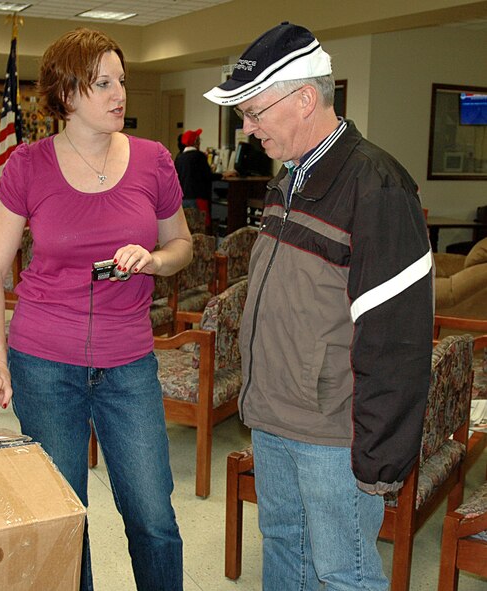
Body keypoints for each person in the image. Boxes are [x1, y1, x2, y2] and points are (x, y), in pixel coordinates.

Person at [204, 22, 433, 591]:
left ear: (305, 99)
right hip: (274, 415)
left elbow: (397, 341)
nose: (248, 128)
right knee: (283, 546)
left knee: (343, 573)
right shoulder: (290, 179)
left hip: (334, 435)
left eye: (255, 112)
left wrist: (378, 460)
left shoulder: (378, 186)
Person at [0, 28, 191, 591]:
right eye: (103, 84)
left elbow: (181, 247)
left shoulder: (153, 160)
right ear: (68, 94)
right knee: (67, 516)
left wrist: (153, 260)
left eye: (122, 81)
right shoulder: (28, 165)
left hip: (128, 362)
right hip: (43, 362)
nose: (120, 94)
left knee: (154, 518)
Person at [174, 128, 218, 229]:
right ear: (195, 142)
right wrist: (222, 175)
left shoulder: (179, 158)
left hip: (183, 199)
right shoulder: (199, 156)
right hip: (198, 197)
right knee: (201, 226)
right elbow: (208, 176)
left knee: (187, 227)